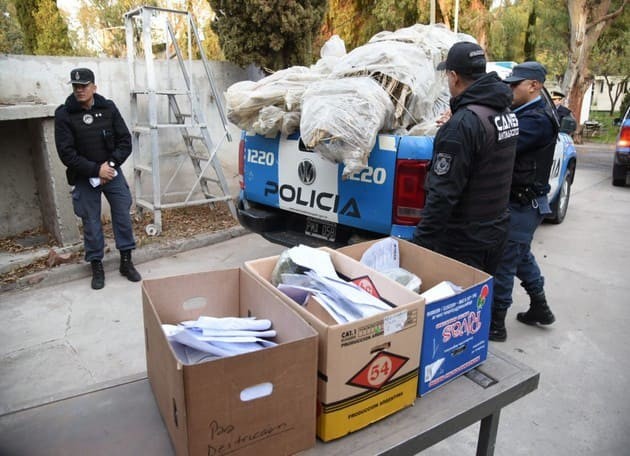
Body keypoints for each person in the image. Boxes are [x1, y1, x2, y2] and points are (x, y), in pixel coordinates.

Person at [412, 42, 518, 275]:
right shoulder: (505, 112)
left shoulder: (462, 125)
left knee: (457, 297)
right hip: (495, 230)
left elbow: (442, 195)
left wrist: (419, 246)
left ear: (454, 76)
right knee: (483, 292)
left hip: (464, 241)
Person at [489, 61, 559, 342]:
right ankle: (540, 307)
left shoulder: (537, 120)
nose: (510, 89)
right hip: (523, 202)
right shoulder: (525, 113)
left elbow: (503, 145)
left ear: (534, 86)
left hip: (523, 203)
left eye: (514, 85)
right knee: (520, 255)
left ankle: (496, 325)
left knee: (505, 261)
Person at [55, 68, 141, 290]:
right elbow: (66, 154)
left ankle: (126, 262)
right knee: (91, 222)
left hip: (111, 172)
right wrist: (95, 170)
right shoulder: (64, 114)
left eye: (84, 85)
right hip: (85, 176)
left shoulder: (108, 108)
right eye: (76, 86)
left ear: (94, 87)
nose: (79, 89)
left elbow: (125, 141)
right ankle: (96, 266)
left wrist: (109, 166)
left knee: (122, 214)